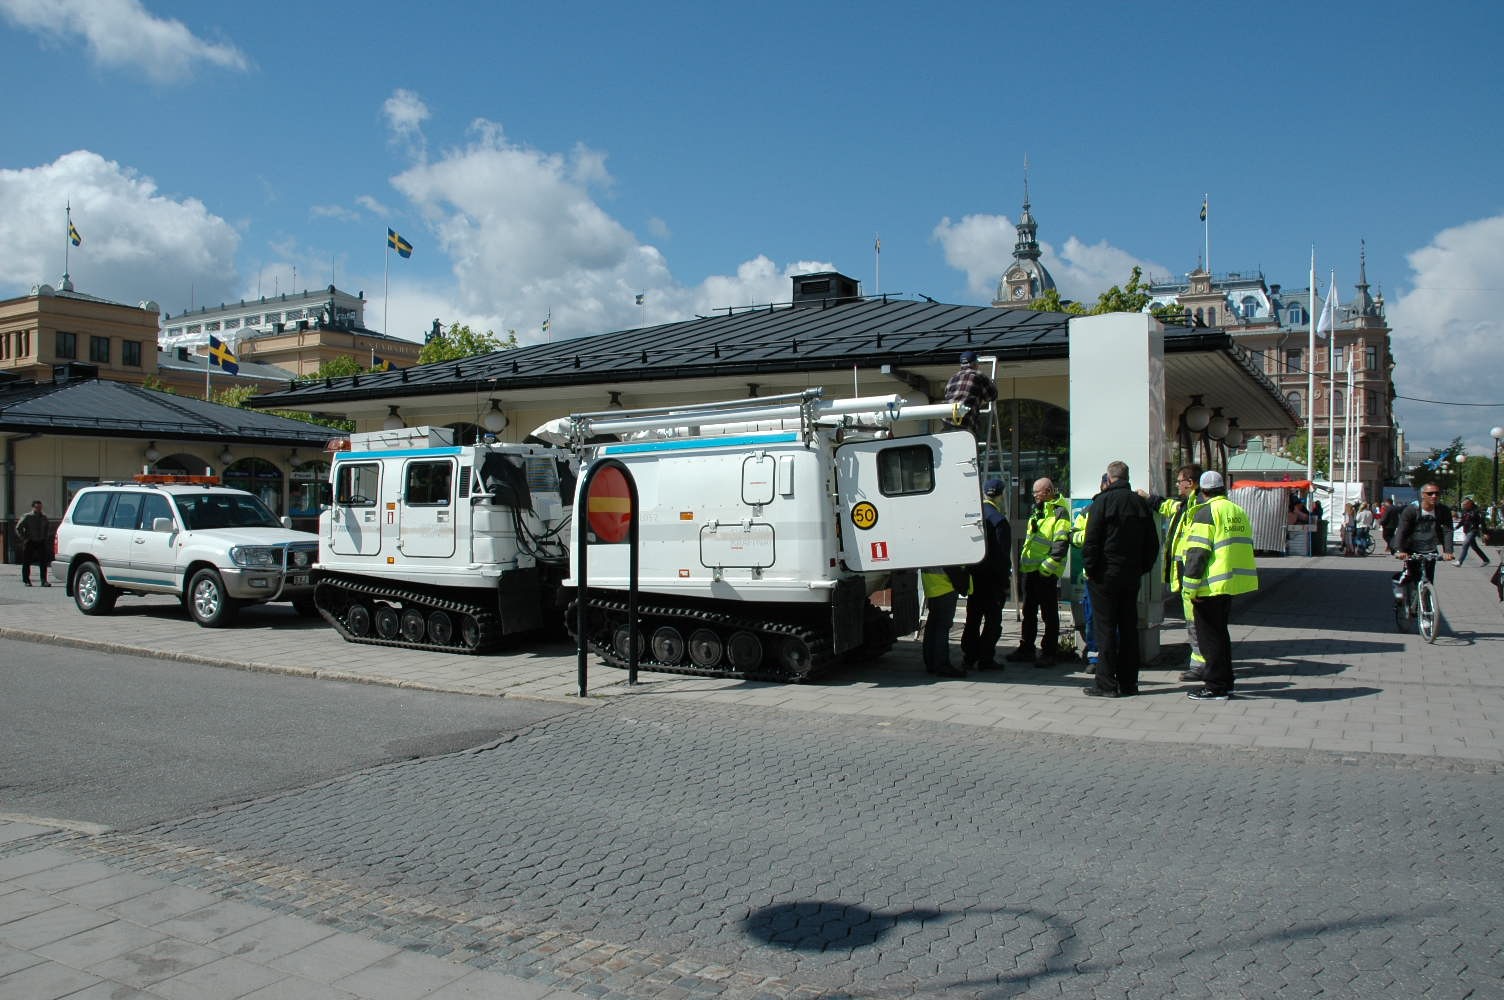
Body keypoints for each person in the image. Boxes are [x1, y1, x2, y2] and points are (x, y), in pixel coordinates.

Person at [1081, 462, 1160, 698]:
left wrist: (1091, 569)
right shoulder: (1140, 504)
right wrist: (1142, 568)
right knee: (1128, 628)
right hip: (1131, 574)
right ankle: (1129, 683)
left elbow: (1091, 540)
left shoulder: (1101, 502)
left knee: (1105, 628)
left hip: (1104, 575)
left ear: (1109, 477)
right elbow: (1152, 543)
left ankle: (1106, 684)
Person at [1180, 471, 1259, 701]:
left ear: (1202, 491)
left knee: (1209, 639)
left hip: (1209, 585)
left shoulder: (1206, 513)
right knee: (1221, 635)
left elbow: (1197, 554)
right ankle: (1226, 682)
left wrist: (1189, 588)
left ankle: (1215, 686)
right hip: (1230, 582)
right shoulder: (1236, 511)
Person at [1140, 464, 1205, 682]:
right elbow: (1169, 507)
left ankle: (1201, 666)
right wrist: (1149, 498)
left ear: (1191, 482)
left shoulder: (1198, 506)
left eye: (1179, 481)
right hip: (1189, 577)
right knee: (1194, 623)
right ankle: (1201, 664)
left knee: (1197, 624)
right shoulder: (1188, 504)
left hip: (1195, 579)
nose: (1177, 484)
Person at [1005, 478, 1071, 666]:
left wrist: (1045, 569)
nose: (1034, 495)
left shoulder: (1059, 513)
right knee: (1029, 611)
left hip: (1045, 573)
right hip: (1030, 570)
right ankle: (1026, 648)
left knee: (1049, 614)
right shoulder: (1038, 510)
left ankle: (1049, 652)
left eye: (1037, 492)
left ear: (1048, 491)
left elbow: (1060, 545)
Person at [961, 479, 1011, 671]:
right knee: (992, 620)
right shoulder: (998, 520)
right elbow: (1002, 555)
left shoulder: (973, 516)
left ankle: (969, 656)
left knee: (972, 618)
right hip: (992, 580)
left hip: (975, 576)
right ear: (1001, 495)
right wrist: (1004, 579)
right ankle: (986, 658)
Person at [1393, 484, 1454, 601]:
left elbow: (1447, 530)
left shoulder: (1443, 510)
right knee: (1413, 577)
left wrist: (1448, 551)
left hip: (1430, 548)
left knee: (1429, 580)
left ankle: (1425, 609)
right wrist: (1399, 550)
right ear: (1422, 495)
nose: (1434, 496)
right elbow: (1402, 530)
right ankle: (1404, 599)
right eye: (1430, 493)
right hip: (1411, 548)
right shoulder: (1411, 510)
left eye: (1437, 493)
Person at [920, 565, 969, 678]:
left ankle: (931, 662)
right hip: (945, 584)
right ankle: (942, 665)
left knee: (933, 624)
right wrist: (962, 584)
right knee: (942, 627)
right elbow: (952, 565)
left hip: (932, 583)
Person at [942, 351, 998, 435]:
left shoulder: (952, 378)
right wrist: (991, 384)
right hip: (965, 421)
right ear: (974, 363)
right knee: (970, 444)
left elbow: (947, 395)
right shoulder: (978, 375)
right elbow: (992, 396)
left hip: (947, 420)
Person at [16, 499, 52, 587]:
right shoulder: (27, 516)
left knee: (43, 562)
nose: (39, 509)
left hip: (41, 541)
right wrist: (24, 538)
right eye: (37, 507)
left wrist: (45, 537)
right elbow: (18, 527)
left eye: (40, 507)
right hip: (30, 541)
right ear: (33, 507)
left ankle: (44, 580)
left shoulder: (44, 517)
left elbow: (47, 527)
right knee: (27, 562)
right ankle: (26, 580)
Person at [1456, 497, 1490, 567]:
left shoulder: (1477, 511)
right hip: (1467, 530)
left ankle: (1459, 561)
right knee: (1474, 547)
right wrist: (1456, 527)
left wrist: (1485, 533)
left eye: (1465, 503)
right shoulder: (1465, 511)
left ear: (1470, 503)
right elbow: (1463, 521)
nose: (1464, 505)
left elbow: (1482, 522)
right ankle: (1486, 560)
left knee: (1465, 544)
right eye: (1463, 504)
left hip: (1473, 530)